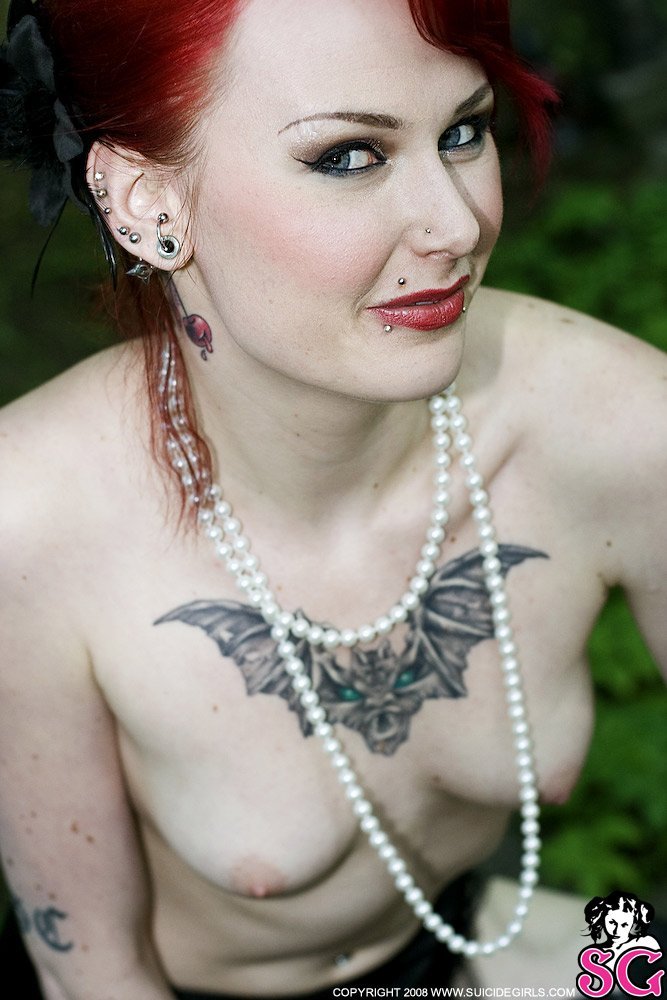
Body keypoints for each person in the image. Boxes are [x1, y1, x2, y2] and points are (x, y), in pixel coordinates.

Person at [0, 0, 665, 997]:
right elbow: (93, 970)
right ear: (145, 202)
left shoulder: (617, 423)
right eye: (348, 156)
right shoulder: (30, 525)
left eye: (464, 131)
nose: (456, 224)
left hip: (460, 949)